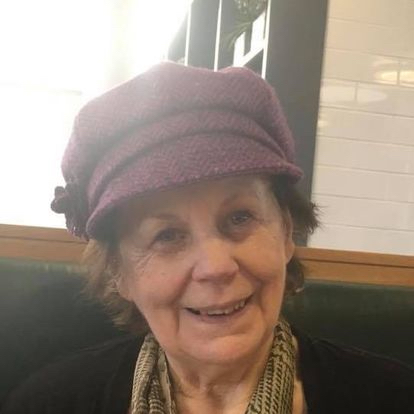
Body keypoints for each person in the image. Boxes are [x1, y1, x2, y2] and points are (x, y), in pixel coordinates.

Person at [2, 62, 413, 414]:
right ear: (118, 274)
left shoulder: (393, 397)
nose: (216, 266)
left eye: (240, 217)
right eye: (167, 236)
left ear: (287, 232)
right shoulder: (50, 403)